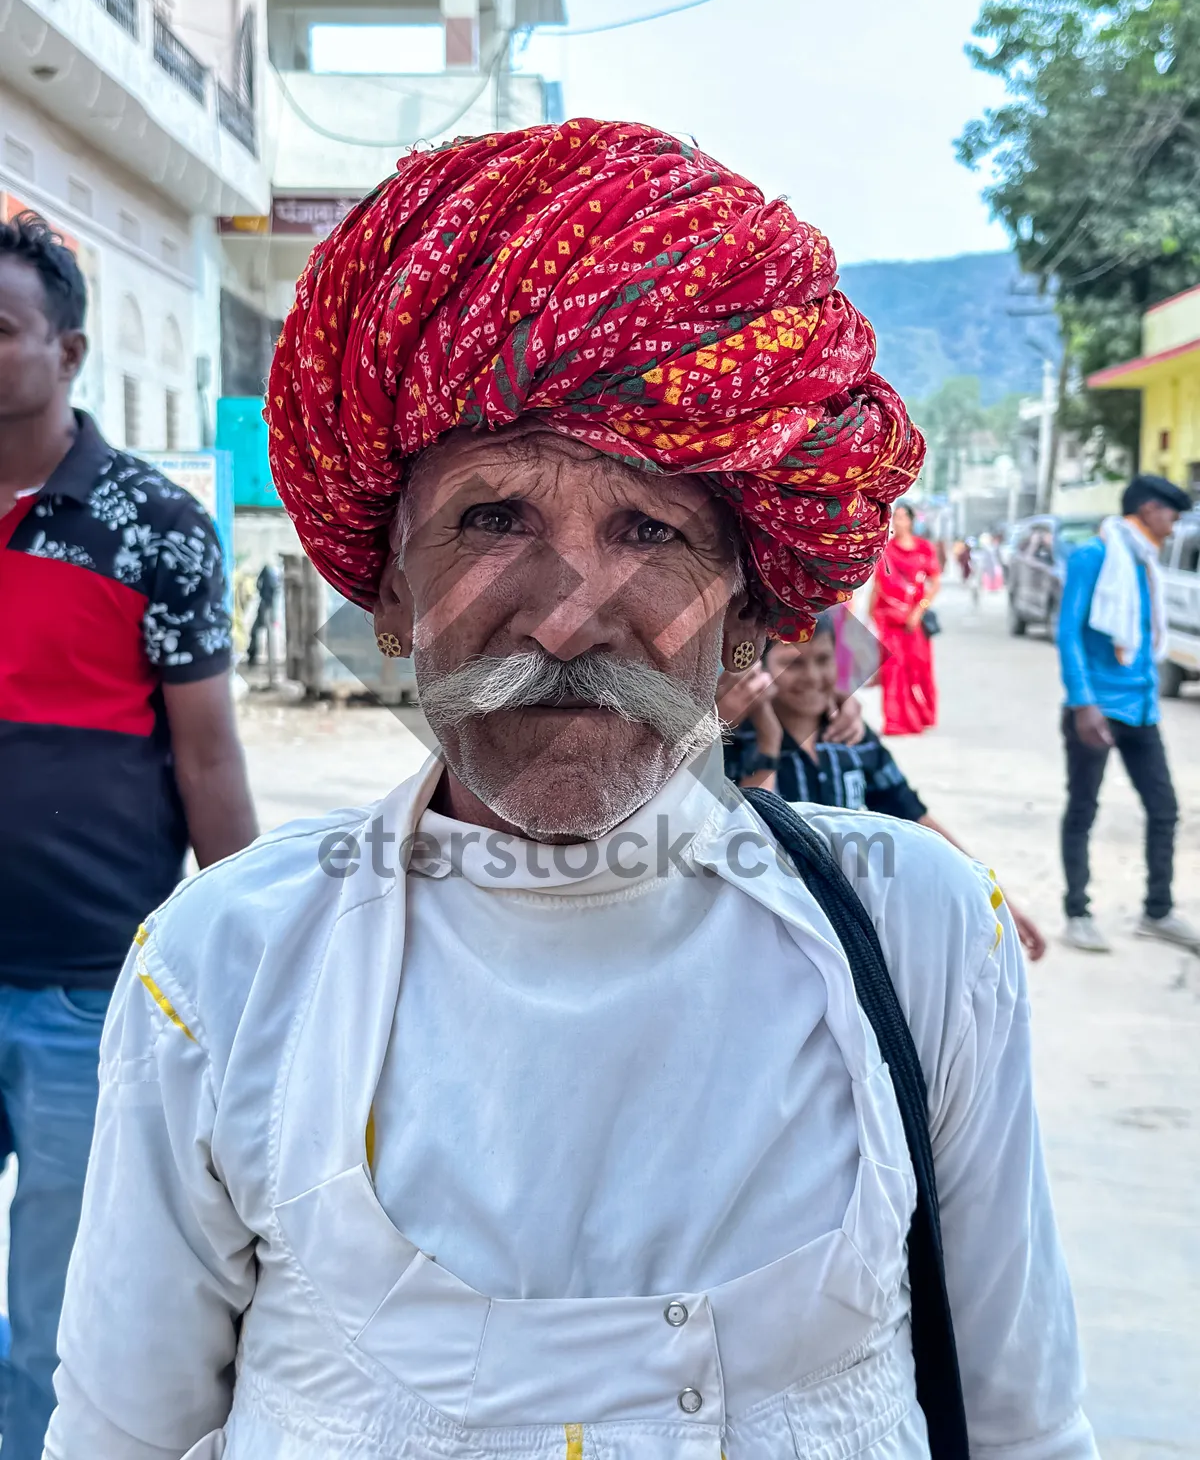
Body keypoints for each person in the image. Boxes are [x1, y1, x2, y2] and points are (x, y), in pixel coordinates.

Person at [48, 122, 1097, 1460]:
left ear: (743, 638)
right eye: (493, 519)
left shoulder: (921, 936)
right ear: (391, 600)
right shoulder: (223, 971)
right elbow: (117, 1437)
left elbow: (1028, 1428)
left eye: (650, 531)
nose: (565, 619)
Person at [0, 211, 259, 1457]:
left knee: (59, 1303)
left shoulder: (154, 526)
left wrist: (257, 950)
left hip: (81, 984)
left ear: (70, 350)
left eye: (0, 328)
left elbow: (206, 754)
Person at [722, 617, 1046, 959]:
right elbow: (753, 848)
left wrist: (993, 894)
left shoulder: (855, 741)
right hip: (779, 938)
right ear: (760, 672)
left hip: (856, 932)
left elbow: (914, 816)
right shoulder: (738, 746)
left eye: (823, 660)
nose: (814, 677)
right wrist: (768, 740)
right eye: (793, 664)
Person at [1057, 473, 1197, 953]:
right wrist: (1082, 702)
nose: (1175, 526)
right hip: (1096, 708)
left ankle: (1157, 910)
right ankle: (1077, 911)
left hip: (1141, 707)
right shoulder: (1095, 556)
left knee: (1164, 808)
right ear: (1149, 509)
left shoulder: (1145, 563)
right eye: (1172, 515)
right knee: (1083, 809)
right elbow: (1069, 632)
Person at [871, 502, 940, 735]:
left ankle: (920, 716)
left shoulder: (924, 549)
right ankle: (895, 721)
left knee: (918, 669)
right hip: (889, 621)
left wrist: (919, 610)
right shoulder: (886, 551)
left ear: (911, 520)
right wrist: (872, 615)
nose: (897, 522)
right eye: (895, 518)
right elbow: (878, 587)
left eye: (902, 517)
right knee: (893, 670)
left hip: (914, 623)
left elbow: (934, 584)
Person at [246, 558, 281, 667]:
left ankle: (264, 661)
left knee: (262, 633)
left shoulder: (269, 575)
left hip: (266, 607)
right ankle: (256, 657)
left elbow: (260, 586)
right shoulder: (270, 575)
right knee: (259, 632)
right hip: (267, 606)